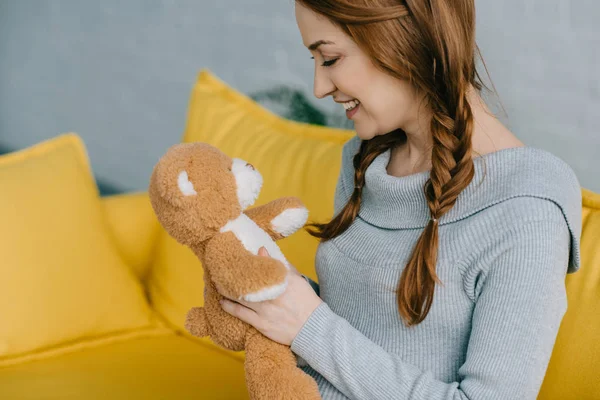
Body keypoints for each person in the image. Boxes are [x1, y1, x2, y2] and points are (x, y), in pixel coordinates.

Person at [218, 1, 583, 399]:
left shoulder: (528, 212)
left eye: (330, 58)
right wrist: (279, 296)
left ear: (403, 38)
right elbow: (367, 328)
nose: (319, 87)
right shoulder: (364, 158)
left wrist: (309, 327)